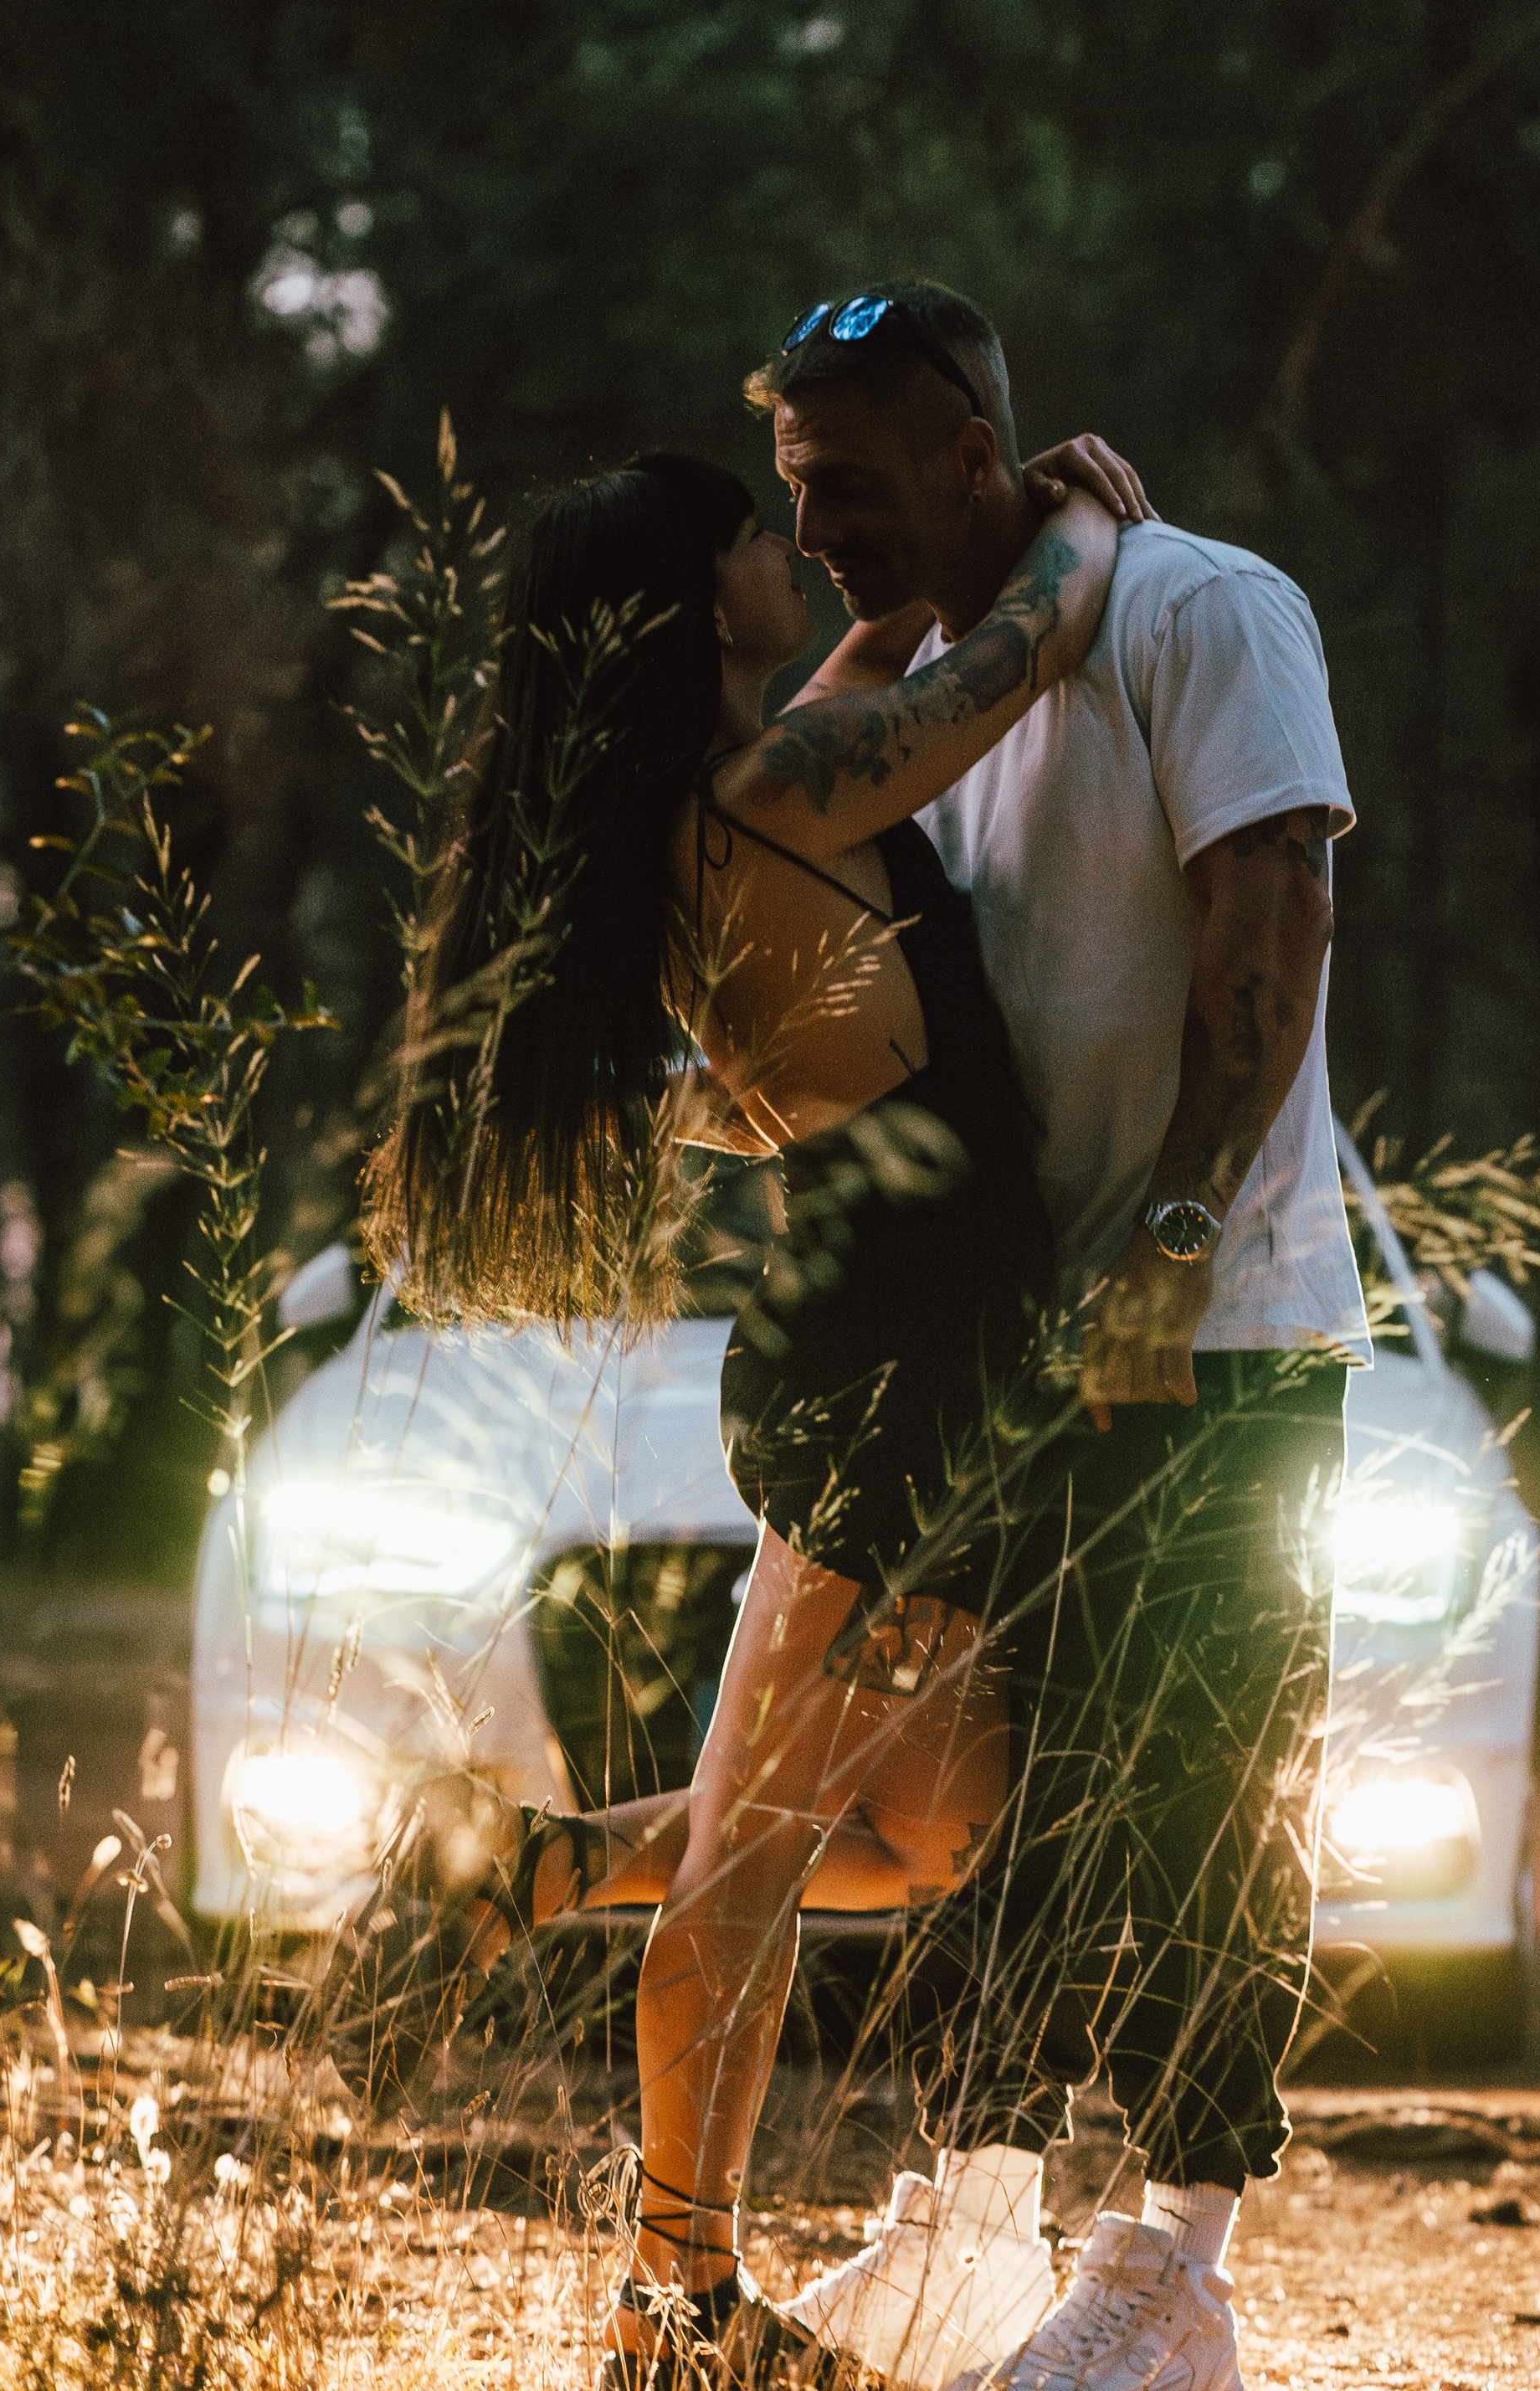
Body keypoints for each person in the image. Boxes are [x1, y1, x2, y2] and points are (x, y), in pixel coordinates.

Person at [367, 419, 1146, 2390]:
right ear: (693, 585)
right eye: (755, 528)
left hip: (903, 1351)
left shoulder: (729, 787)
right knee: (756, 1874)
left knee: (924, 1838)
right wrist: (1071, 520)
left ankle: (525, 1866)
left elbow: (874, 661)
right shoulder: (771, 791)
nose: (790, 544)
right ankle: (677, 2303)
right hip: (901, 1367)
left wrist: (923, 568)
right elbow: (1014, 655)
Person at [755, 282, 1369, 2391]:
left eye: (840, 484)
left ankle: (1172, 2267)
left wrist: (1182, 1231)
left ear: (956, 447)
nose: (816, 526)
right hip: (1025, 1351)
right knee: (1015, 1798)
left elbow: (1270, 902)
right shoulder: (945, 687)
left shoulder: (1206, 609)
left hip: (1221, 1331)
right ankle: (965, 2235)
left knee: (1207, 1786)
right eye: (788, 488)